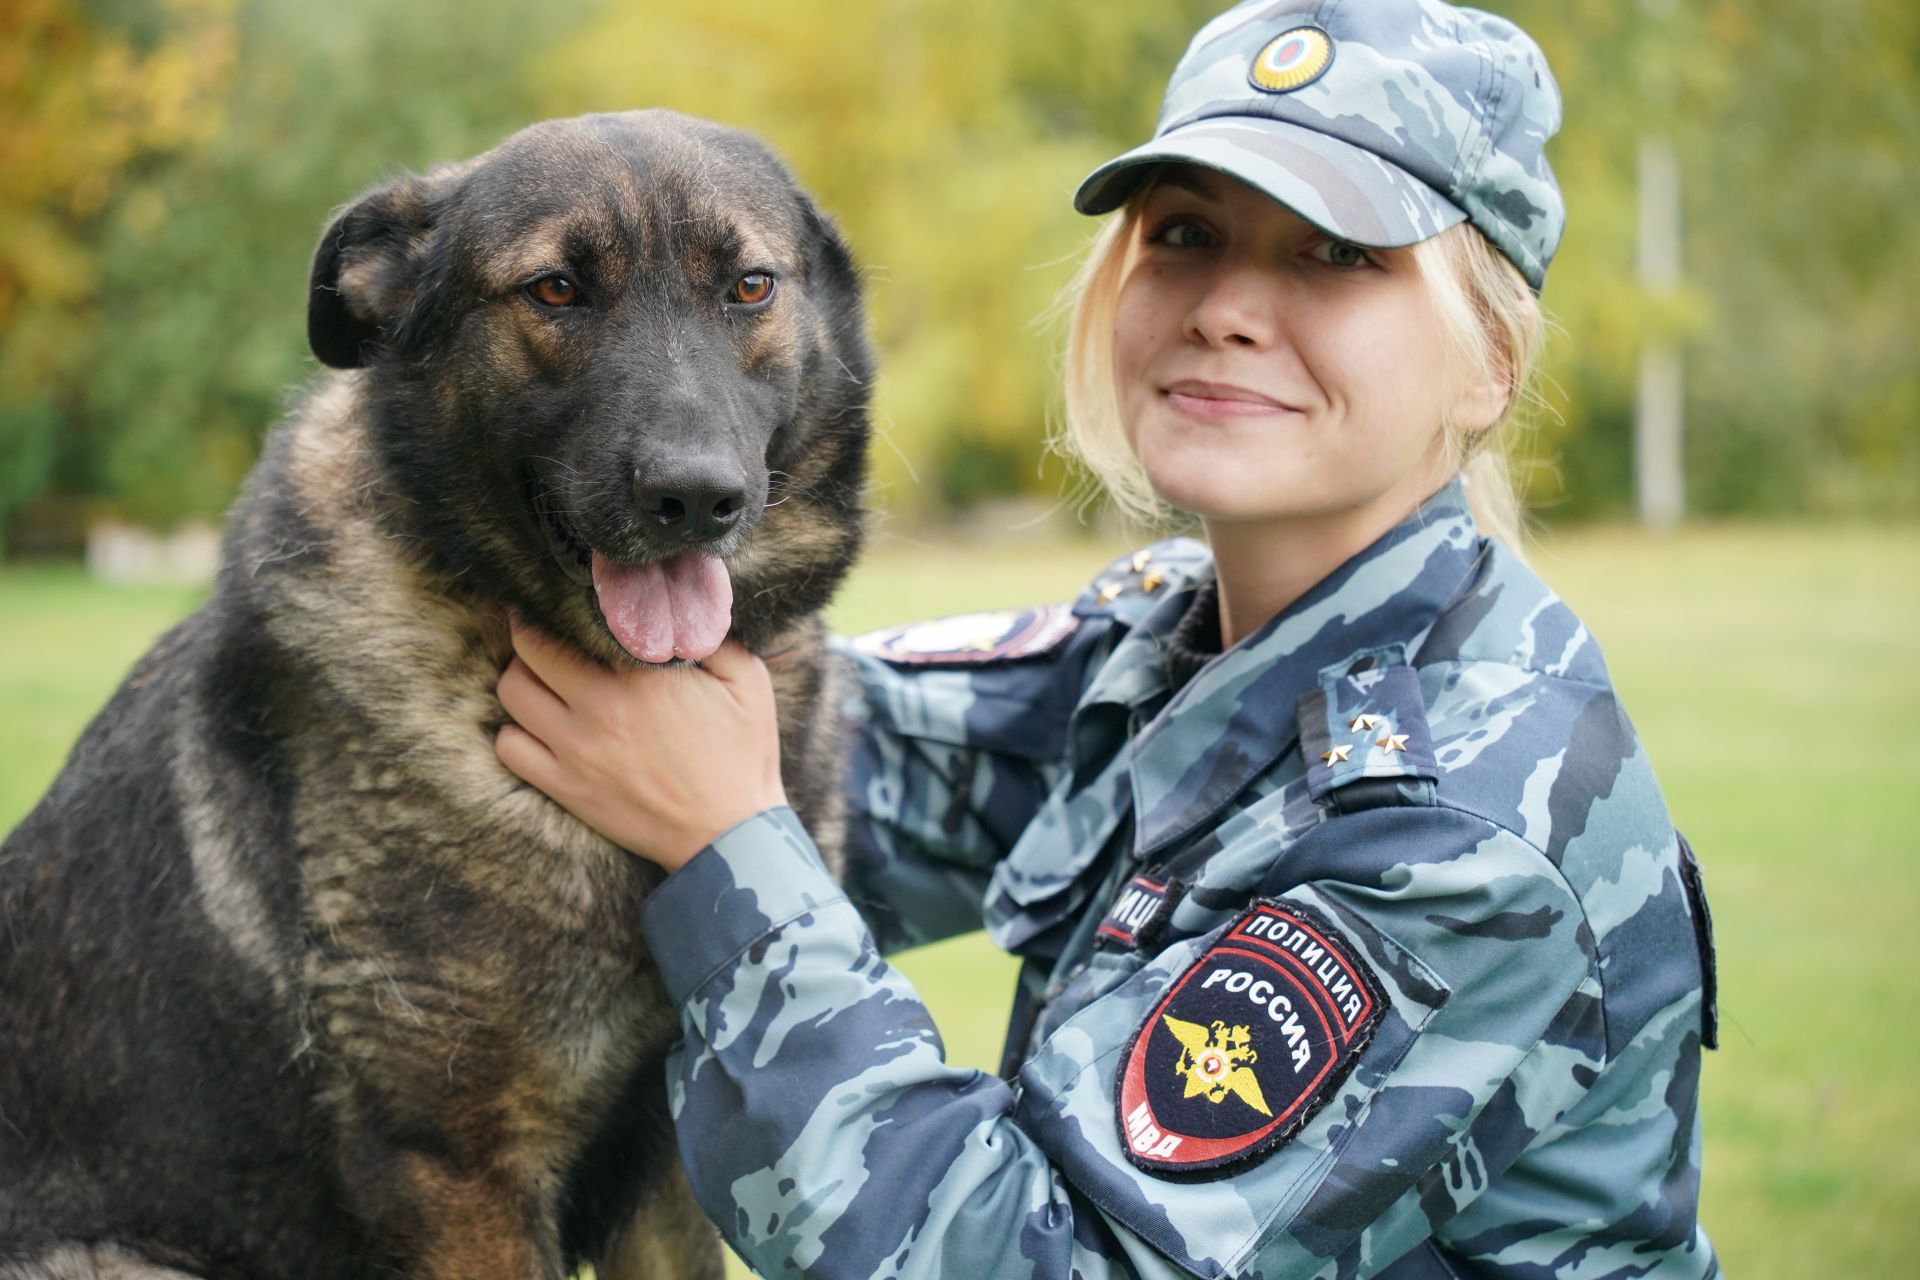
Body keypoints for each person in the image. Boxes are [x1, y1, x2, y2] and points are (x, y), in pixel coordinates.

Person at [492, 1, 1721, 1274]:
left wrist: (725, 849)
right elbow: (831, 747)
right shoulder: (1165, 644)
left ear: (1490, 365)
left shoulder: (1466, 821)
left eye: (1338, 254)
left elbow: (1039, 1254)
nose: (1228, 307)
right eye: (1185, 236)